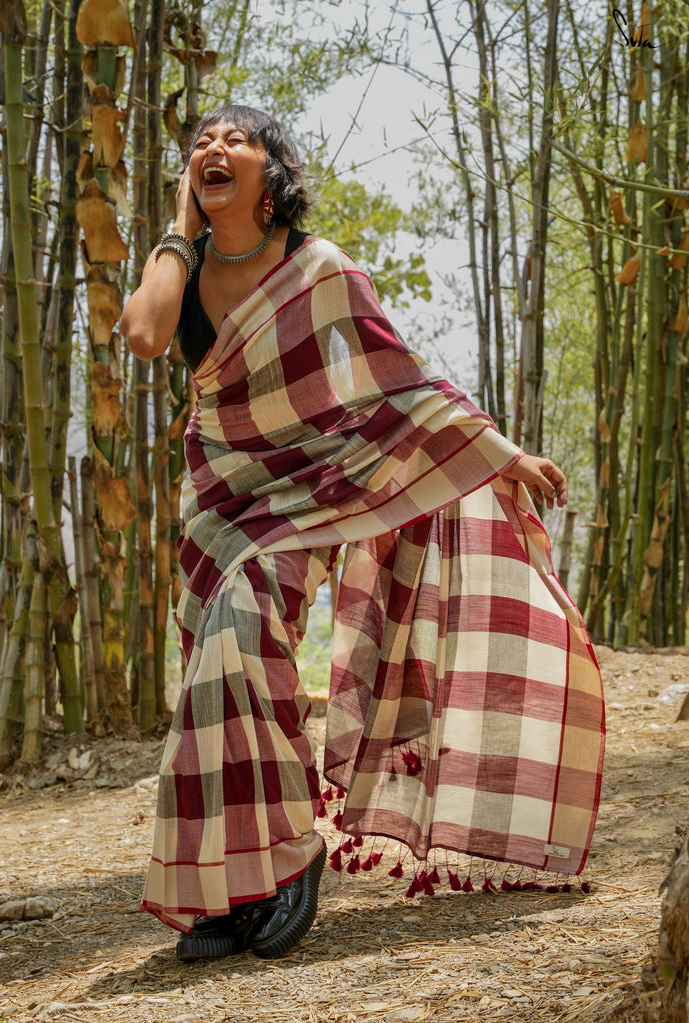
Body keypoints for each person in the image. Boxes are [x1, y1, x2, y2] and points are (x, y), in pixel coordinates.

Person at [120, 105, 604, 963]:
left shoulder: (321, 270)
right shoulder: (181, 267)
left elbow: (402, 381)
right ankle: (232, 887)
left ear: (272, 174)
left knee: (240, 636)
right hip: (218, 501)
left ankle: (289, 853)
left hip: (306, 497)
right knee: (211, 682)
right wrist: (176, 233)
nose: (212, 149)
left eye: (236, 139)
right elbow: (144, 334)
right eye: (200, 143)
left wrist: (502, 455)